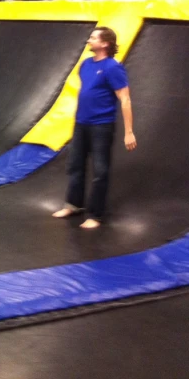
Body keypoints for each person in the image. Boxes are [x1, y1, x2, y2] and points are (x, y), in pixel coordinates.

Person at [52, 27, 137, 229]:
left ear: (105, 43)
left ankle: (95, 215)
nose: (89, 40)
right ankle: (73, 205)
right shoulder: (86, 64)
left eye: (93, 38)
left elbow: (124, 99)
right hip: (81, 123)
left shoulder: (113, 67)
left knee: (100, 171)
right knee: (75, 165)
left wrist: (129, 131)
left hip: (102, 126)